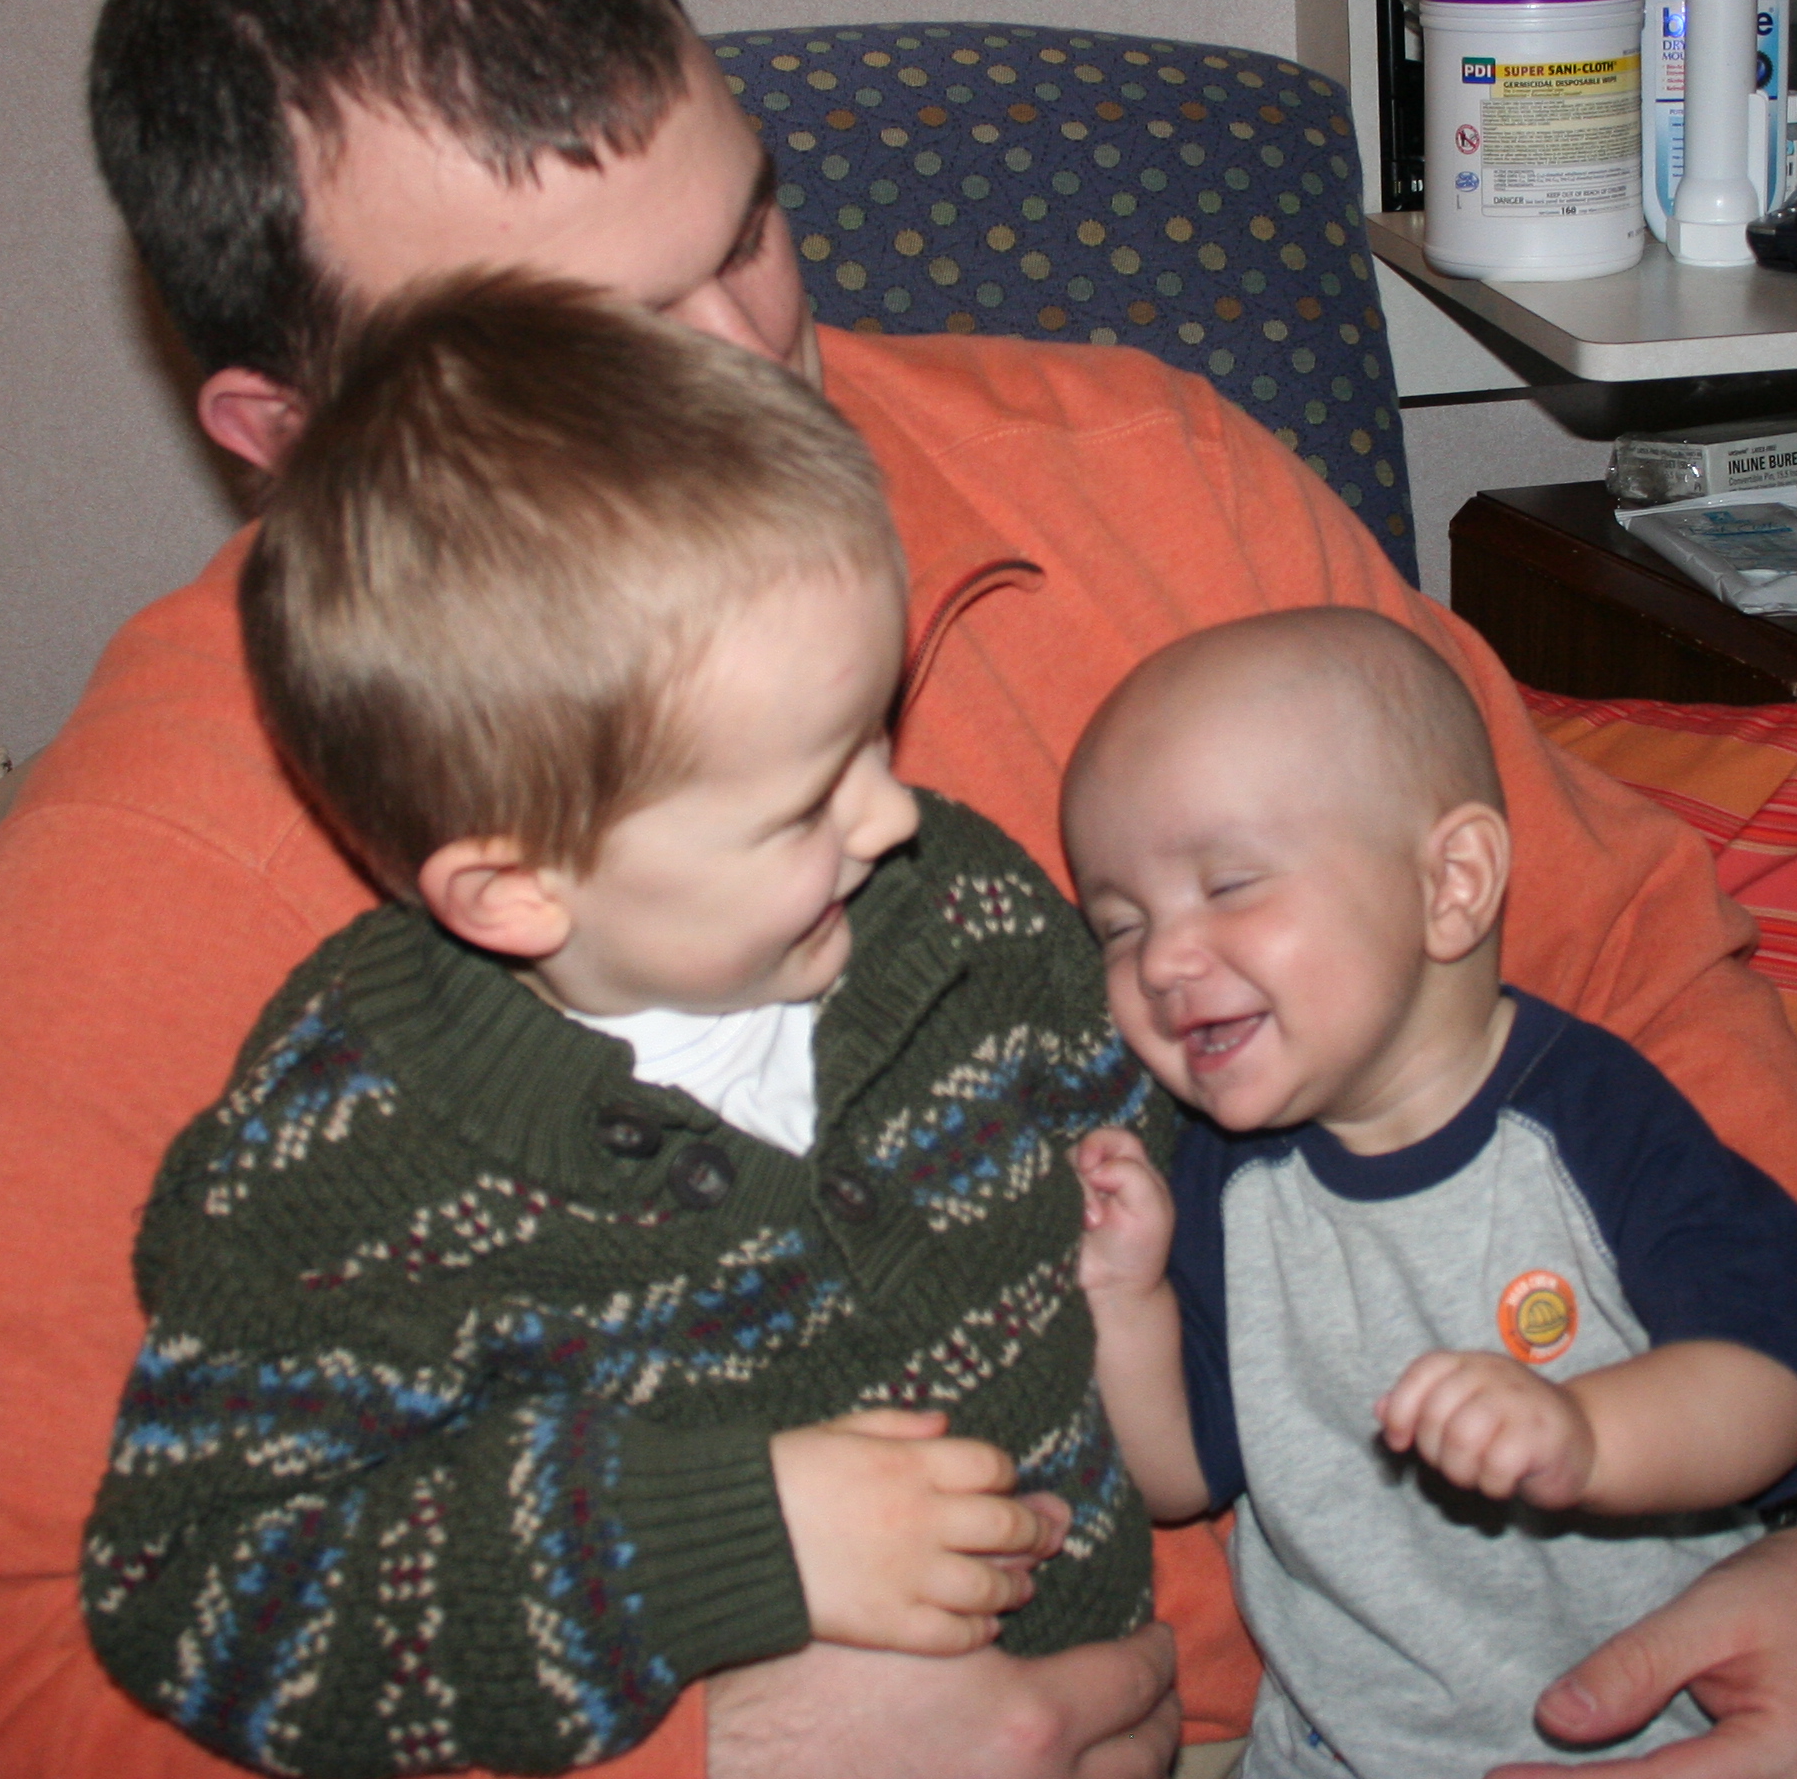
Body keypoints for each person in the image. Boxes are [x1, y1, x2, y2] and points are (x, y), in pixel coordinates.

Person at [0, 0, 1797, 1779]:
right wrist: (703, 1751)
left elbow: (1625, 961)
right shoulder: (171, 844)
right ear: (290, 438)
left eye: (744, 234)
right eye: (585, 349)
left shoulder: (1150, 480)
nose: (753, 375)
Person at [79, 275, 1158, 1774]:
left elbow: (1181, 1148)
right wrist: (722, 1539)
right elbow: (201, 1592)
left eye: (874, 730)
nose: (892, 814)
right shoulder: (353, 1158)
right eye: (805, 799)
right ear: (516, 892)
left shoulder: (958, 914)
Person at [1065, 611, 1797, 1778]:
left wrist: (1590, 1434)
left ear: (1451, 883)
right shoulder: (1225, 1180)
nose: (1160, 962)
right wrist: (1124, 1300)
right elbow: (1182, 1473)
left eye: (1228, 885)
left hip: (1682, 1726)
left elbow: (1777, 1389)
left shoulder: (1597, 1117)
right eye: (1121, 927)